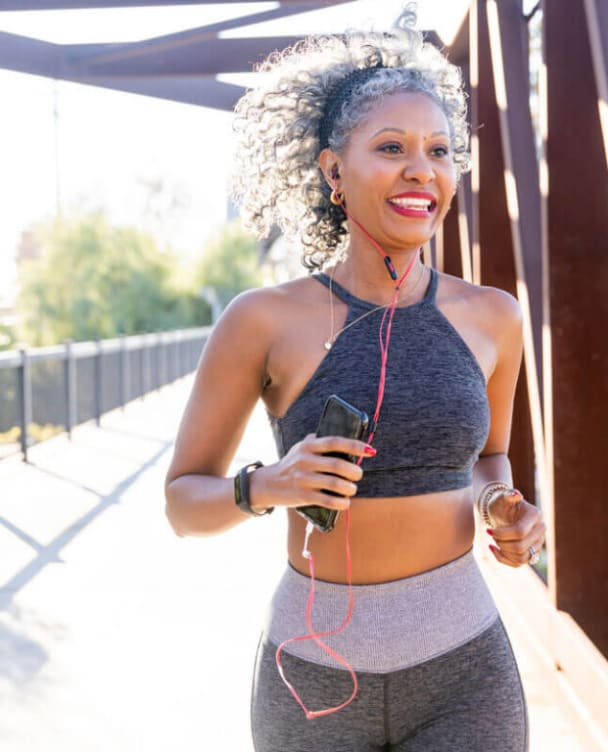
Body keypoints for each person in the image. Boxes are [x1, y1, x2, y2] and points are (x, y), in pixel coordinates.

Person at [164, 7, 545, 751]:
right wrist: (267, 485)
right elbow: (184, 504)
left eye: (440, 150)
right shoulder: (263, 320)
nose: (422, 170)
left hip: (465, 670)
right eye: (392, 147)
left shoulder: (494, 316)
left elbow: (487, 459)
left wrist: (503, 503)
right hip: (311, 677)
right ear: (334, 171)